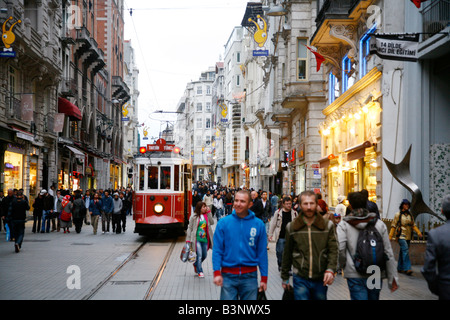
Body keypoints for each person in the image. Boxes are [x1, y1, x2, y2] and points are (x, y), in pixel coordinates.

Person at [337, 191, 398, 300]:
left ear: (350, 205)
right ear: (366, 203)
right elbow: (388, 251)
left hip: (354, 272)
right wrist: (392, 277)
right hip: (375, 272)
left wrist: (340, 266)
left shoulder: (344, 225)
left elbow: (340, 249)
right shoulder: (378, 224)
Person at [281, 190, 338, 300]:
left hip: (321, 277)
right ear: (299, 205)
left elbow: (333, 249)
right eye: (305, 204)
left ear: (316, 205)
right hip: (300, 277)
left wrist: (331, 269)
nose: (308, 207)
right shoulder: (292, 227)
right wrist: (285, 277)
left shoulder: (327, 226)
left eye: (311, 203)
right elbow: (287, 253)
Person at [213, 190, 268, 300]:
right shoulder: (223, 223)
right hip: (228, 276)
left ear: (250, 204)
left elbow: (262, 253)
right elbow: (217, 250)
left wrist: (264, 278)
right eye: (236, 200)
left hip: (250, 277)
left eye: (242, 201)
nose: (238, 204)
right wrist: (216, 272)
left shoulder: (258, 225)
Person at [421, 195, 450, 300]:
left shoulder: (436, 234)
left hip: (446, 289)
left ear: (442, 211)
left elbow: (428, 269)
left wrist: (437, 288)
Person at [389, 199, 423, 275]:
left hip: (408, 235)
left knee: (403, 251)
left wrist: (418, 232)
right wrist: (390, 236)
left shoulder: (410, 215)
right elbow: (393, 226)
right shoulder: (398, 215)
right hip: (401, 235)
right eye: (405, 204)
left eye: (407, 204)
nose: (406, 206)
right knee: (405, 250)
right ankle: (407, 268)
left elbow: (413, 225)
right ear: (402, 205)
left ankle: (400, 267)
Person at [268, 196, 298, 271]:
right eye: (287, 204)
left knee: (290, 253)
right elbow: (273, 224)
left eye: (290, 204)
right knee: (280, 252)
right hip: (281, 236)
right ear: (283, 204)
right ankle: (280, 264)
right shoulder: (278, 213)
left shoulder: (294, 213)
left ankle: (288, 268)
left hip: (291, 237)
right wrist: (270, 235)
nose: (289, 205)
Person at [187, 201, 215, 278]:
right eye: (203, 207)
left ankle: (196, 264)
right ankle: (200, 271)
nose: (205, 208)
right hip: (197, 239)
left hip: (205, 239)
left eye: (205, 206)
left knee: (204, 255)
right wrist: (188, 239)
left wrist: (209, 213)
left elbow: (212, 222)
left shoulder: (207, 215)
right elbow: (190, 228)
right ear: (199, 208)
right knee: (199, 255)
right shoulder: (194, 217)